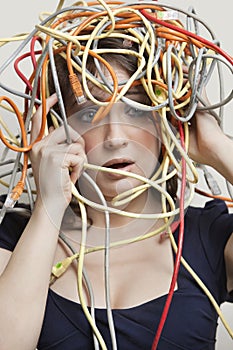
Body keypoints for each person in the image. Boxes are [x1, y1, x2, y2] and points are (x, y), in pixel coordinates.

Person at [0, 1, 232, 349]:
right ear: (55, 128)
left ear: (168, 121)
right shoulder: (17, 237)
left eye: (137, 109)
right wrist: (50, 203)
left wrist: (218, 148)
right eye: (90, 111)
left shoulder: (207, 236)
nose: (115, 137)